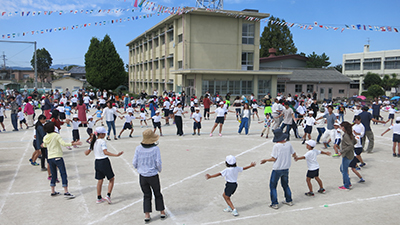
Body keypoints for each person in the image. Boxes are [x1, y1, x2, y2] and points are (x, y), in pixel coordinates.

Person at [132, 129, 167, 222]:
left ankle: (147, 215)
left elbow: (134, 162)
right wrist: (159, 170)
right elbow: (158, 162)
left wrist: (139, 168)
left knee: (146, 195)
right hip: (153, 175)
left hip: (143, 176)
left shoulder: (138, 148)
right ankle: (162, 212)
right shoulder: (155, 149)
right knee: (157, 193)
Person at [85, 126, 124, 204]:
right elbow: (105, 152)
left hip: (97, 162)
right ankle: (108, 195)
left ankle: (99, 197)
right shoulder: (102, 142)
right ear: (101, 134)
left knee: (100, 180)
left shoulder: (94, 141)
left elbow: (87, 153)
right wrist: (116, 155)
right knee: (111, 179)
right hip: (104, 161)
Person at [260, 128, 297, 209]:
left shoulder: (276, 146)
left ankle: (274, 203)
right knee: (285, 185)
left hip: (277, 168)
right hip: (286, 168)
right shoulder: (288, 144)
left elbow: (274, 158)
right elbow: (294, 153)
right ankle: (289, 200)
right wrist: (295, 157)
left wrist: (265, 160)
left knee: (273, 186)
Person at [42, 122, 81, 198]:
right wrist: (73, 143)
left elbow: (45, 145)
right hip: (58, 157)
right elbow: (63, 144)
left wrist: (43, 145)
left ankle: (53, 191)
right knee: (63, 173)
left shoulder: (45, 137)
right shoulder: (56, 135)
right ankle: (66, 191)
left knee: (53, 175)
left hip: (50, 158)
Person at [338, 121, 356, 190]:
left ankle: (346, 185)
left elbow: (350, 145)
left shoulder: (346, 135)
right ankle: (348, 182)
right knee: (342, 169)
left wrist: (342, 151)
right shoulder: (350, 134)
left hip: (347, 155)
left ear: (344, 127)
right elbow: (354, 142)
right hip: (350, 154)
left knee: (344, 170)